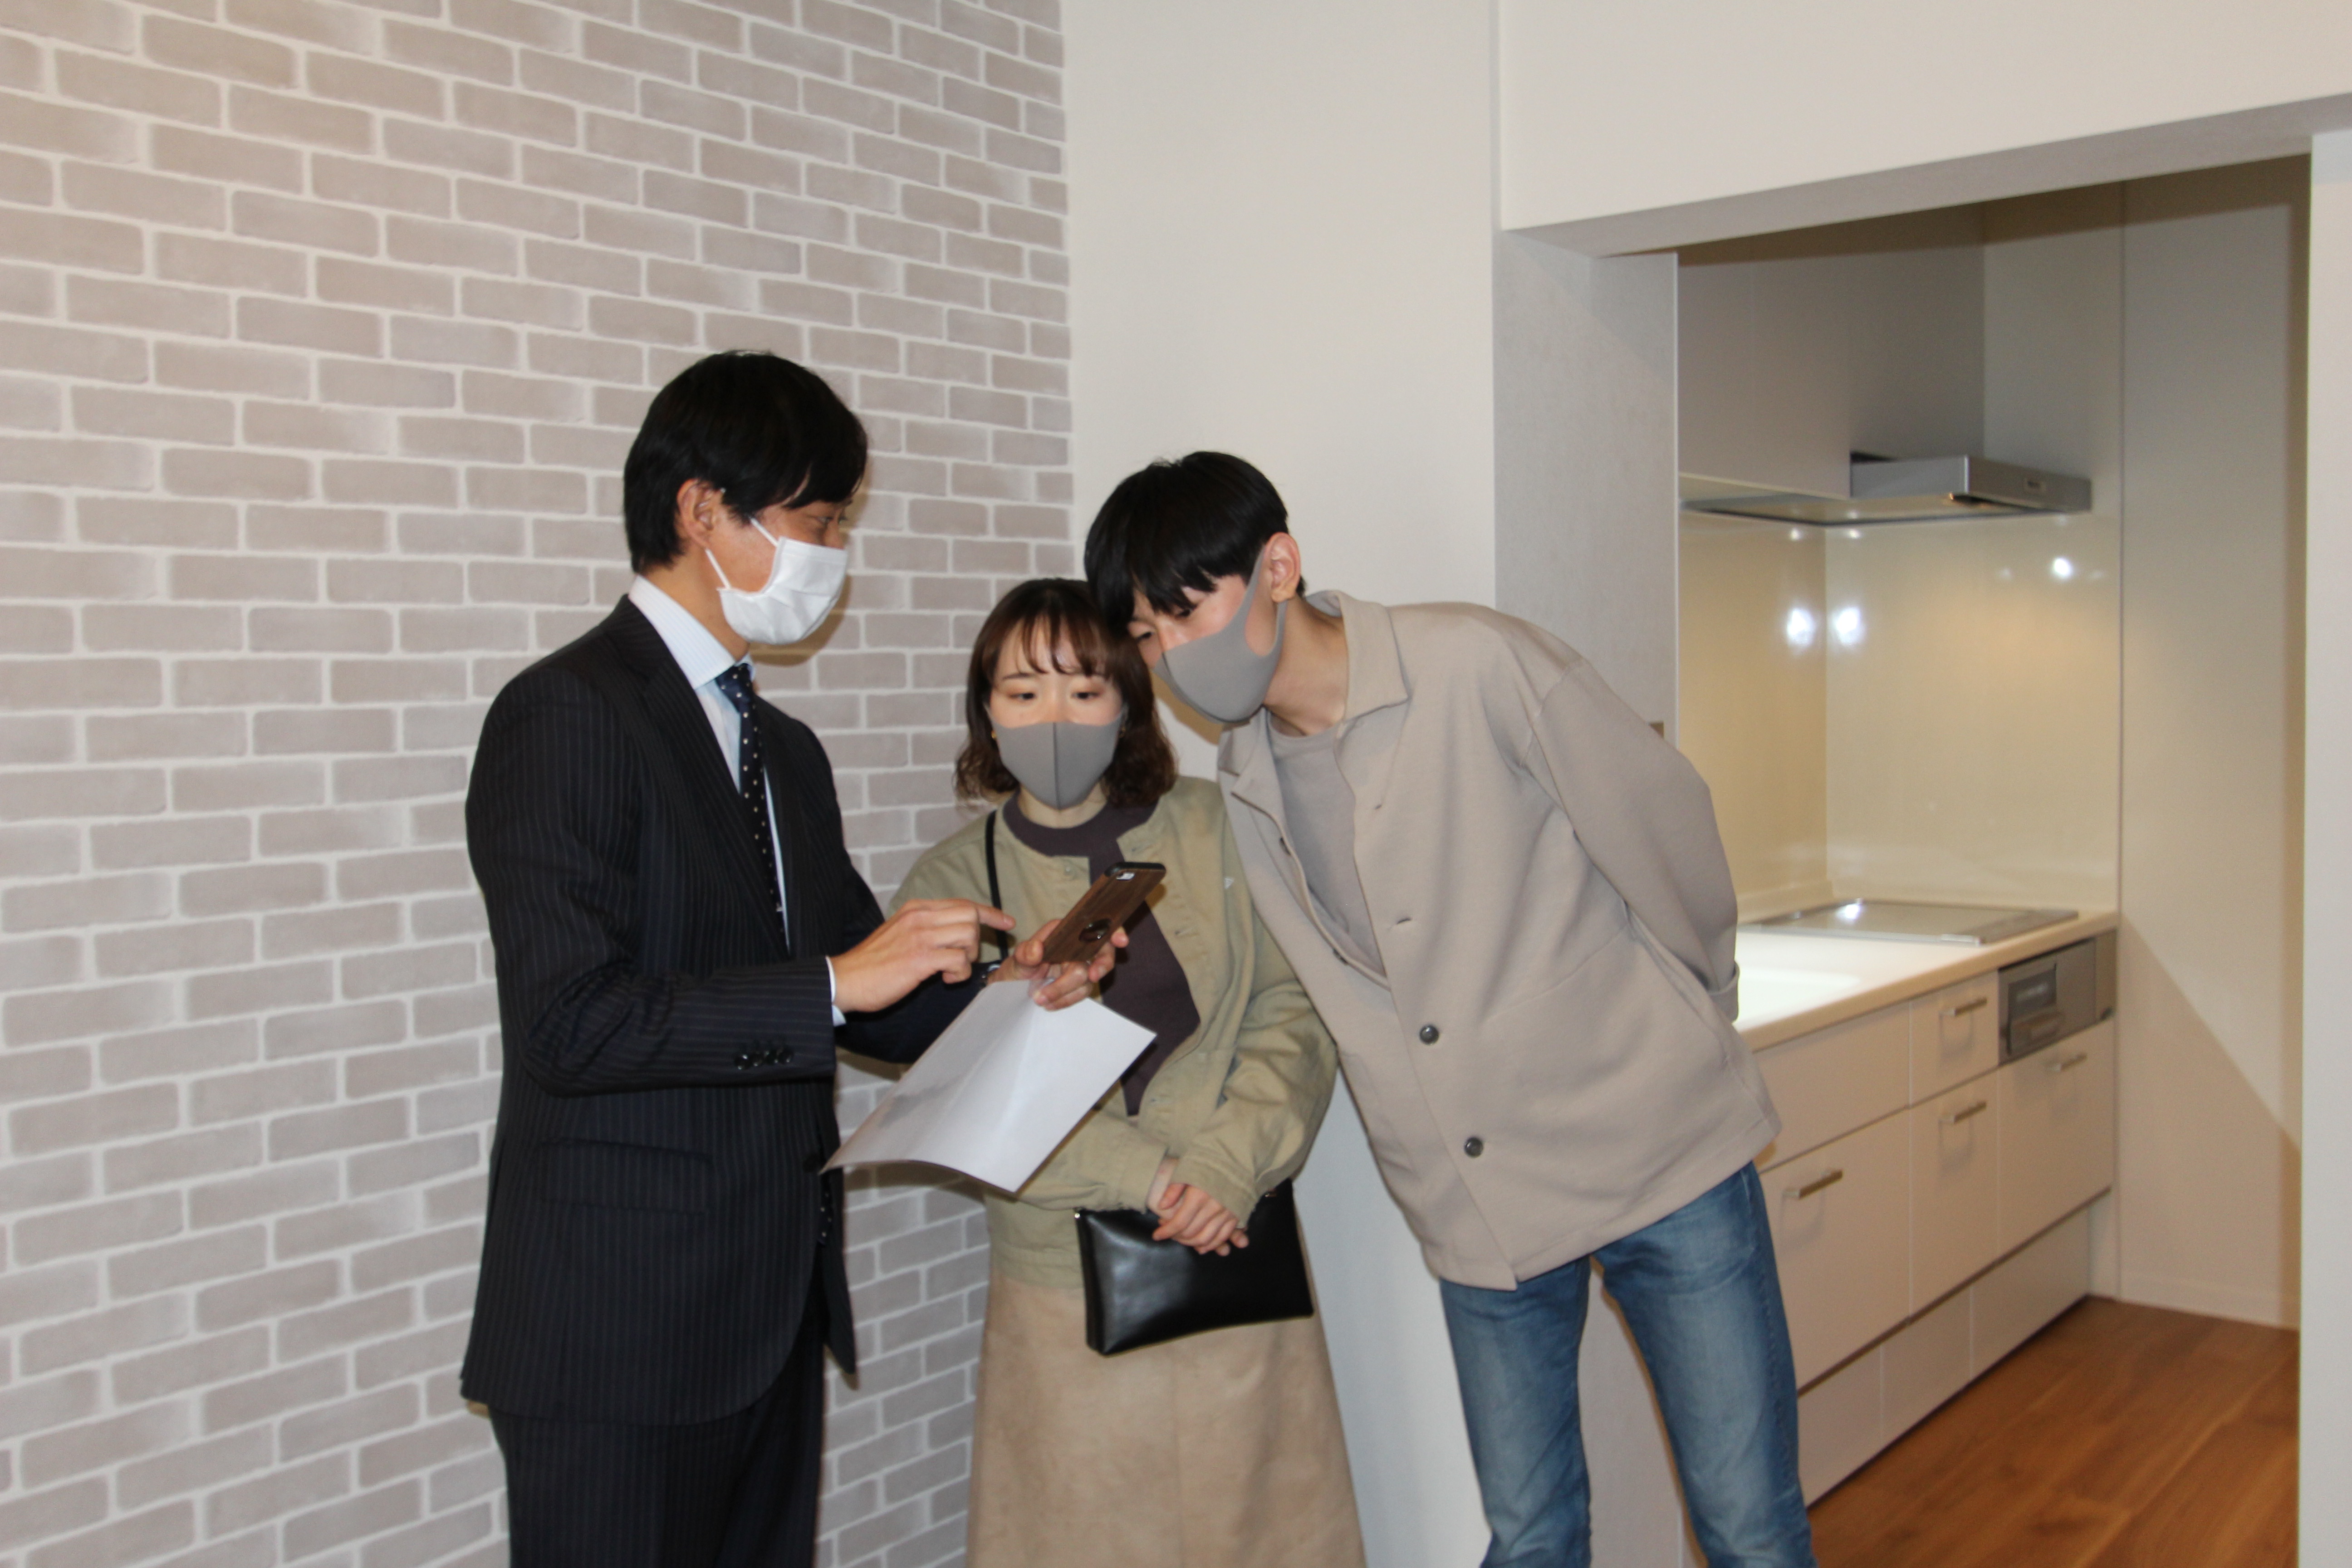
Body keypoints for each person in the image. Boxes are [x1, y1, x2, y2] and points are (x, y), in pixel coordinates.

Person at [1085, 453, 1817, 1568]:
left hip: (1660, 1152)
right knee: (1528, 1535)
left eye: (1188, 613)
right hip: (1475, 1197)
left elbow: (1666, 828)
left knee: (1747, 1524)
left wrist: (1698, 1011)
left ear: (1277, 567)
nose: (1172, 654)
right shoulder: (1246, 773)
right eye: (1146, 635)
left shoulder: (1474, 662)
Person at [461, 351, 1112, 1568]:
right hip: (618, 1331)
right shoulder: (565, 713)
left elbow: (869, 998)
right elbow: (569, 1023)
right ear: (703, 510)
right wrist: (833, 983)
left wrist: (1015, 995)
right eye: (817, 521)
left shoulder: (785, 750)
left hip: (769, 1313)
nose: (832, 554)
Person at [890, 578, 1366, 1568]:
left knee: (1267, 1533)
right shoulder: (950, 887)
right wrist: (1147, 1178)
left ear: (1128, 700)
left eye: (1084, 689)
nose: (1054, 719)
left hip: (1234, 1245)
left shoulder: (1216, 825)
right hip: (1061, 1295)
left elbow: (1294, 1009)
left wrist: (1225, 1169)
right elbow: (964, 1092)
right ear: (986, 710)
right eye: (1023, 693)